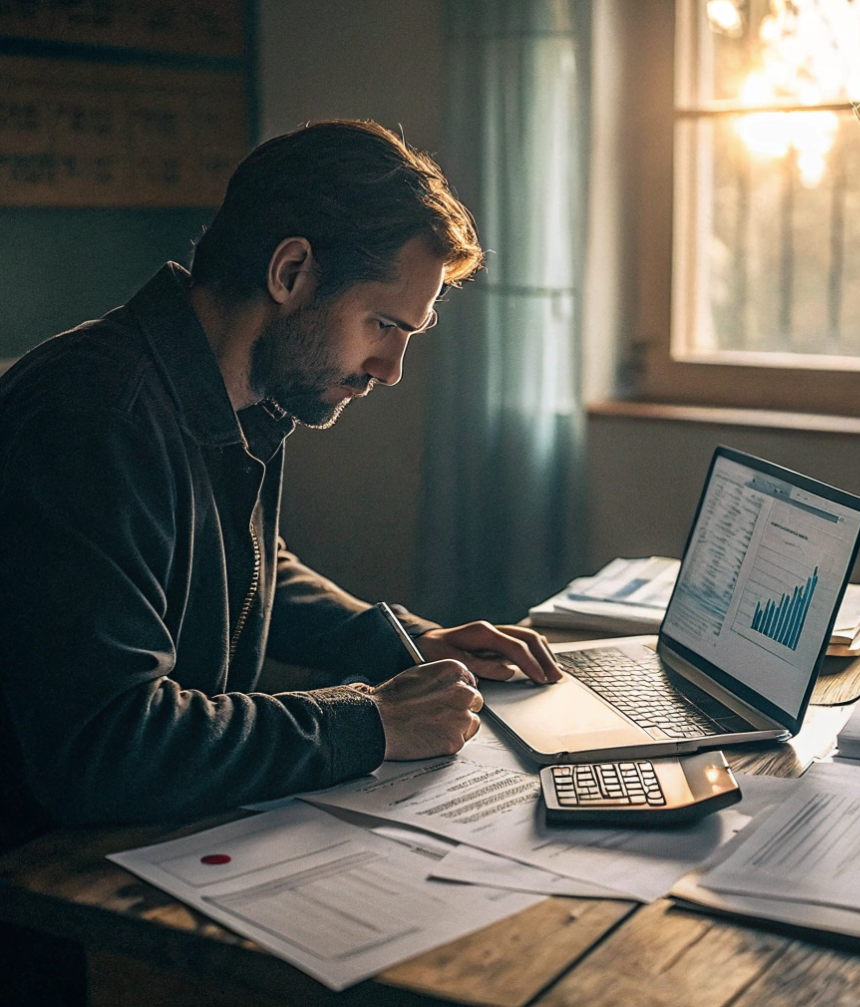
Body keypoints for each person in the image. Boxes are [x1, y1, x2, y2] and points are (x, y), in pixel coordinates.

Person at [0, 120, 563, 858]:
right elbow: (107, 743)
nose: (390, 368)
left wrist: (402, 641)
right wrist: (371, 722)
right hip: (44, 882)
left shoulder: (243, 395)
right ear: (292, 271)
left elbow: (244, 566)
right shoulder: (96, 418)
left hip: (149, 833)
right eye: (383, 324)